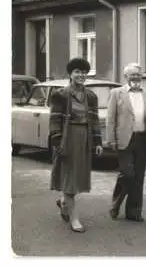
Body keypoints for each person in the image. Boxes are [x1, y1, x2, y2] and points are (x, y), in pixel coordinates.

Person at [49, 57, 103, 233]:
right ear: (70, 74)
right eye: (77, 72)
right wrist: (57, 142)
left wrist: (97, 141)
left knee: (76, 178)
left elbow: (94, 120)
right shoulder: (60, 95)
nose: (81, 75)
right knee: (71, 179)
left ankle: (64, 202)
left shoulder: (91, 96)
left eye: (84, 72)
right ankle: (74, 219)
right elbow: (55, 119)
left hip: (84, 138)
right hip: (67, 138)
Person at [106, 63, 146, 222]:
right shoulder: (116, 93)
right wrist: (111, 140)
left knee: (139, 176)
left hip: (142, 139)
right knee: (127, 174)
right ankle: (115, 204)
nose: (136, 77)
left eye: (138, 74)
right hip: (124, 139)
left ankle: (134, 211)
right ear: (126, 77)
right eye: (133, 75)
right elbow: (111, 118)